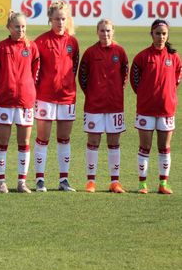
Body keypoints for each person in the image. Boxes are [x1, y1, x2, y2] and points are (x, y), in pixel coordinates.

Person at [33, 0, 79, 192]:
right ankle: (39, 179)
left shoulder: (72, 42)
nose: (60, 22)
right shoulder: (40, 41)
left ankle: (64, 180)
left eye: (63, 19)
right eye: (56, 19)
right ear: (50, 20)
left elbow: (74, 68)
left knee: (64, 139)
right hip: (45, 97)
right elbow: (35, 70)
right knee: (42, 138)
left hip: (67, 97)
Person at [131, 19, 181, 194]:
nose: (161, 37)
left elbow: (177, 79)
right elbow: (135, 80)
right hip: (146, 109)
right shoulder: (142, 57)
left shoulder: (174, 57)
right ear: (151, 34)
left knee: (164, 148)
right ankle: (142, 184)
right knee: (144, 147)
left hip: (166, 109)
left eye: (164, 33)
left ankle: (163, 183)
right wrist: (145, 95)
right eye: (158, 33)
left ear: (167, 35)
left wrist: (168, 95)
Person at [0, 11, 39, 193]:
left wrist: (28, 88)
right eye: (17, 26)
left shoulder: (32, 47)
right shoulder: (1, 48)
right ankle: (1, 181)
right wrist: (1, 87)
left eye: (23, 26)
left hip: (26, 101)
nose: (21, 30)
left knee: (24, 142)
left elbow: (36, 72)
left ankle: (22, 182)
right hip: (5, 101)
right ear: (9, 27)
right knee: (2, 141)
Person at [78, 19, 128, 193]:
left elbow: (125, 75)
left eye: (108, 31)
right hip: (94, 105)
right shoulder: (90, 53)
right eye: (102, 31)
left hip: (115, 105)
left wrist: (115, 92)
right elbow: (82, 77)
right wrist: (92, 93)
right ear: (97, 32)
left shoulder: (120, 52)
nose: (105, 34)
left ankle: (115, 182)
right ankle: (91, 181)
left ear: (113, 31)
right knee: (93, 141)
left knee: (114, 142)